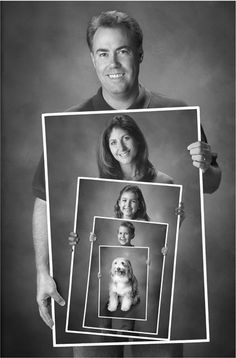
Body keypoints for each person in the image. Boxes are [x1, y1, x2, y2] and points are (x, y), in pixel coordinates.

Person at [32, 9, 222, 358]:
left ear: (139, 54)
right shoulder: (67, 120)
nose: (113, 62)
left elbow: (210, 183)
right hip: (95, 302)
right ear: (92, 59)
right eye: (103, 52)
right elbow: (43, 202)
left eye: (122, 50)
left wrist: (205, 166)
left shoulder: (177, 110)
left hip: (153, 294)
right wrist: (44, 271)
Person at [97, 114, 173, 183]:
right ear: (108, 148)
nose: (121, 148)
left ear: (137, 139)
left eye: (126, 138)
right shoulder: (101, 182)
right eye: (113, 143)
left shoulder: (164, 181)